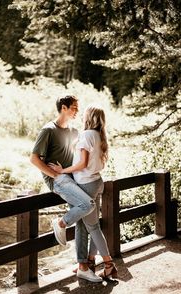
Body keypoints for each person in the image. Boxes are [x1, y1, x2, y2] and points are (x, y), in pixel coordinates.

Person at [30, 95, 103, 282]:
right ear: (63, 108)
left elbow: (80, 156)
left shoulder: (74, 131)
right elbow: (34, 159)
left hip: (74, 179)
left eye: (78, 108)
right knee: (88, 204)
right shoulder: (48, 130)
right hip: (59, 181)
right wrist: (56, 175)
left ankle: (82, 266)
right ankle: (60, 223)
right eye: (74, 108)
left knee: (81, 220)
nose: (77, 111)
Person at [49, 105, 118, 279]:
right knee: (93, 226)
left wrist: (62, 170)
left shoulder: (87, 135)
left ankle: (109, 264)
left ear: (89, 118)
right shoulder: (100, 136)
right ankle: (89, 261)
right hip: (96, 182)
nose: (81, 117)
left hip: (86, 184)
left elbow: (82, 164)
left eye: (84, 115)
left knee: (93, 227)